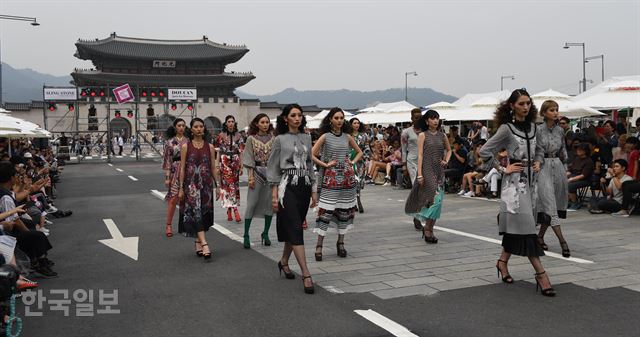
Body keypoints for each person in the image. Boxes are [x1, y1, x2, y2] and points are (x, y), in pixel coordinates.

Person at [479, 88, 556, 297]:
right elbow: (484, 151)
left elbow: (539, 148)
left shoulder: (534, 127)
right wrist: (503, 168)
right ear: (512, 106)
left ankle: (502, 262)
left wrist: (539, 161)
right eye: (521, 103)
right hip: (514, 186)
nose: (526, 107)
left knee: (520, 227)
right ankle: (541, 274)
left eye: (528, 103)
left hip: (533, 183)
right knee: (528, 230)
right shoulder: (506, 128)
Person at [268, 104, 318, 294]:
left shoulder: (307, 137)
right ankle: (306, 273)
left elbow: (310, 164)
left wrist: (314, 190)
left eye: (299, 115)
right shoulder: (279, 139)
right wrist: (274, 195)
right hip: (287, 186)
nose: (297, 118)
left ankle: (283, 262)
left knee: (293, 227)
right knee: (296, 227)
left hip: (304, 186)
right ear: (285, 118)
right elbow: (272, 167)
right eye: (293, 115)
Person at [311, 108, 363, 261]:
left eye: (342, 118)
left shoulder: (347, 137)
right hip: (330, 179)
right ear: (330, 120)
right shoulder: (325, 136)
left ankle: (341, 243)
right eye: (336, 118)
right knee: (325, 212)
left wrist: (351, 162)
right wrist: (325, 165)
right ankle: (319, 245)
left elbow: (359, 152)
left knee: (345, 211)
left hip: (347, 179)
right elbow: (312, 154)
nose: (340, 120)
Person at [405, 110, 452, 244]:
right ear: (427, 121)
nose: (435, 121)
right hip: (426, 170)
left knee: (438, 202)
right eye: (432, 118)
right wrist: (419, 174)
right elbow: (420, 155)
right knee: (433, 201)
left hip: (439, 172)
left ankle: (429, 228)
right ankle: (428, 230)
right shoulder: (422, 135)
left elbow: (449, 150)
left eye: (437, 118)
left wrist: (446, 160)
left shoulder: (442, 136)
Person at [178, 118, 221, 261]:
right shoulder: (185, 146)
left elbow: (213, 168)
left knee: (202, 214)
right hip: (191, 186)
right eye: (195, 126)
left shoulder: (209, 146)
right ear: (191, 129)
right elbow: (182, 168)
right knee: (196, 212)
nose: (199, 129)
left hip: (206, 186)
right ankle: (205, 243)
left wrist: (218, 186)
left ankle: (197, 241)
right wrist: (180, 188)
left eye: (201, 126)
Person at [534, 100, 571, 258]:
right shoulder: (538, 130)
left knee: (553, 203)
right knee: (549, 204)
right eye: (551, 110)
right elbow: (537, 150)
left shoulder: (560, 130)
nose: (555, 112)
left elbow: (564, 150)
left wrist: (566, 169)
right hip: (543, 167)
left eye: (556, 109)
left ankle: (540, 236)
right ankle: (563, 241)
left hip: (558, 166)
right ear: (543, 113)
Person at [241, 114, 275, 249]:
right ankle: (246, 234)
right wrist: (250, 177)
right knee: (251, 204)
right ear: (257, 124)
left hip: (271, 174)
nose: (265, 124)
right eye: (262, 122)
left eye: (267, 122)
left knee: (269, 205)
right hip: (256, 173)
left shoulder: (274, 139)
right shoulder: (251, 139)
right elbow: (248, 157)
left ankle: (265, 233)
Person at [161, 118, 189, 237]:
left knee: (187, 200)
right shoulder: (170, 143)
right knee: (173, 199)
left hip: (188, 171)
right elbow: (167, 161)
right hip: (175, 171)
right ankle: (168, 225)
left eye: (183, 125)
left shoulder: (189, 141)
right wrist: (167, 177)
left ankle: (186, 225)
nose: (181, 127)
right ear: (175, 127)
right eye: (179, 125)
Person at [216, 116, 243, 223]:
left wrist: (241, 166)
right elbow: (217, 151)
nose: (231, 123)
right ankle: (235, 210)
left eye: (232, 121)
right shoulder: (221, 136)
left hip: (235, 161)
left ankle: (229, 209)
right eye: (229, 121)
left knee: (234, 186)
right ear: (226, 123)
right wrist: (217, 165)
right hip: (225, 161)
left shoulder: (239, 135)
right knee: (229, 185)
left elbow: (241, 152)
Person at [401, 108, 423, 230]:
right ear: (411, 118)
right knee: (417, 187)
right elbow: (403, 149)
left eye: (420, 117)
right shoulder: (406, 132)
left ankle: (419, 213)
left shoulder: (426, 130)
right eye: (416, 117)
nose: (418, 119)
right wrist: (404, 165)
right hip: (412, 161)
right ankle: (417, 216)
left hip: (424, 161)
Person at [349, 117, 369, 213]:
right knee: (353, 182)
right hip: (349, 161)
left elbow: (367, 148)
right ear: (351, 124)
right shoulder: (347, 135)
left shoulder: (364, 136)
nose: (356, 125)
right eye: (354, 123)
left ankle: (357, 200)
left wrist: (365, 157)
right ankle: (356, 202)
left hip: (360, 162)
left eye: (358, 123)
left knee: (359, 182)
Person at [567, 143, 594, 210]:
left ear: (585, 151)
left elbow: (583, 175)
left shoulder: (589, 161)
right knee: (561, 182)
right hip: (574, 176)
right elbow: (570, 170)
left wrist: (571, 179)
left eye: (580, 150)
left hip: (584, 180)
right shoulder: (576, 159)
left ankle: (575, 202)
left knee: (570, 185)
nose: (578, 151)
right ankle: (567, 201)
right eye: (578, 149)